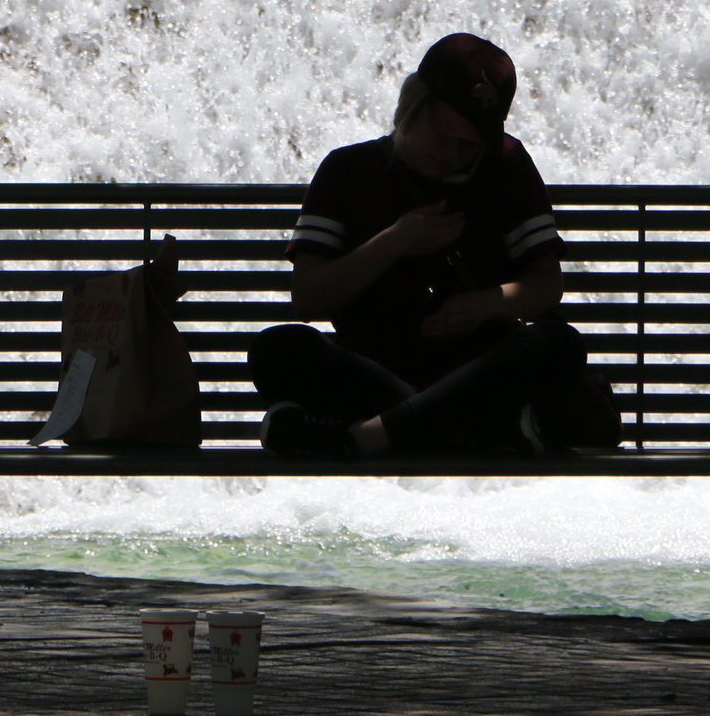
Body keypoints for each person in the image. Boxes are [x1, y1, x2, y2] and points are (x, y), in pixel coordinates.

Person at [253, 33, 621, 458]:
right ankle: (478, 429)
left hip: (480, 372)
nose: (452, 151)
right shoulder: (348, 169)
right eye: (444, 132)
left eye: (470, 142)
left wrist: (485, 304)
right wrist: (393, 242)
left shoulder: (505, 165)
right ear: (413, 102)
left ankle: (368, 437)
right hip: (378, 370)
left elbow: (545, 285)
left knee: (559, 343)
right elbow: (307, 299)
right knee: (277, 348)